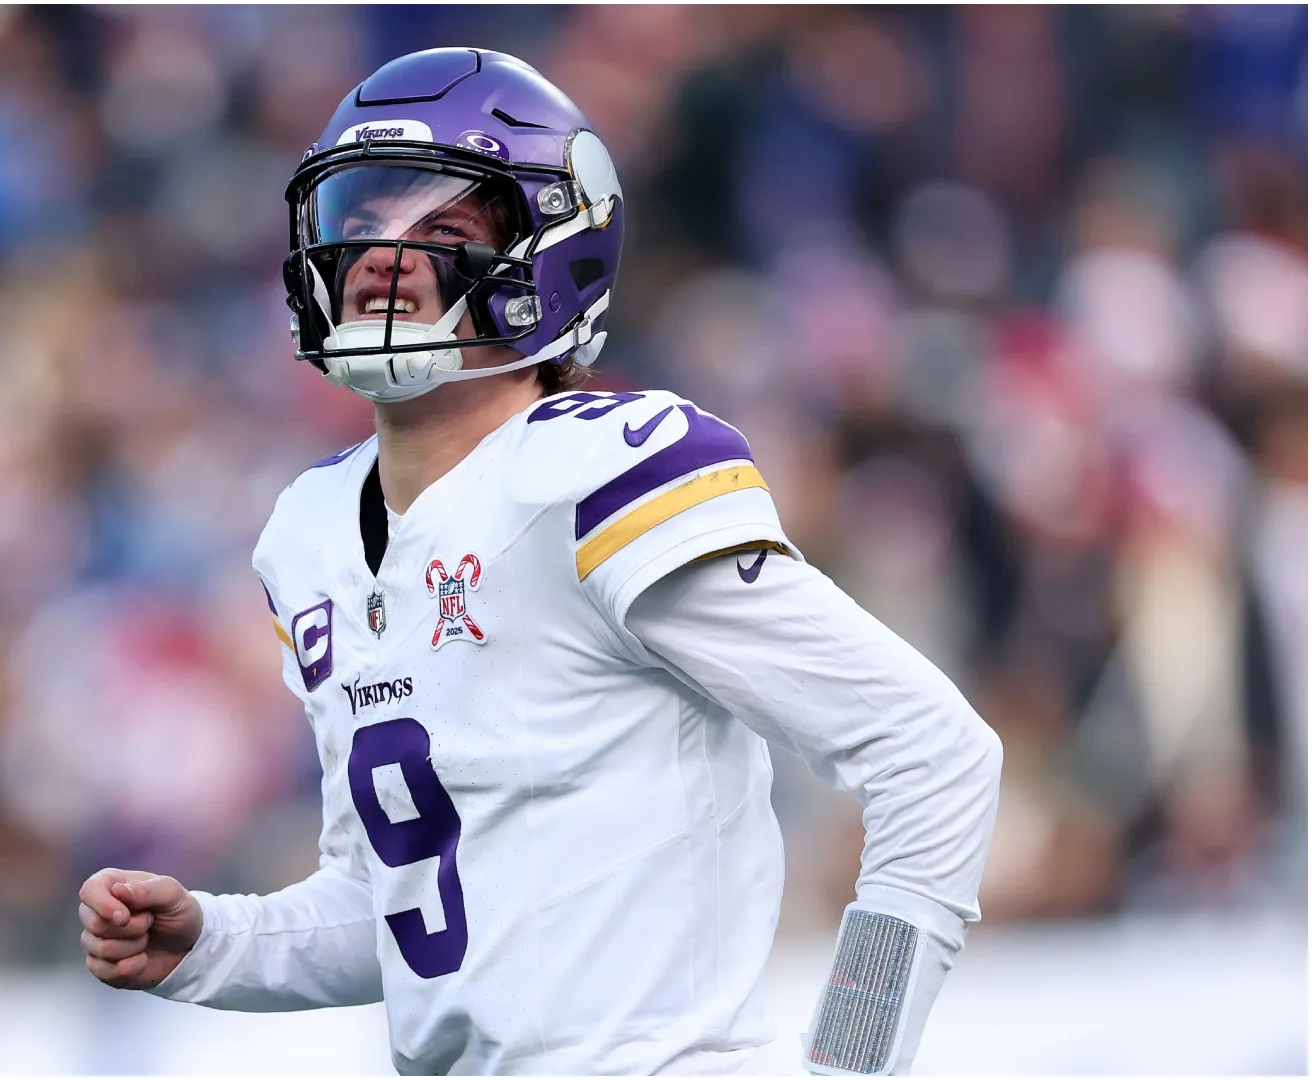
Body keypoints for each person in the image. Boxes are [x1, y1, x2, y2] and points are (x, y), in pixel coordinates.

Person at [77, 47, 1002, 1076]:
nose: (385, 253)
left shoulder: (598, 472)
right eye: (363, 217)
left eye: (446, 225)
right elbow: (407, 903)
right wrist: (212, 942)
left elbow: (932, 752)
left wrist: (853, 1061)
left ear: (552, 254)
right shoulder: (314, 531)